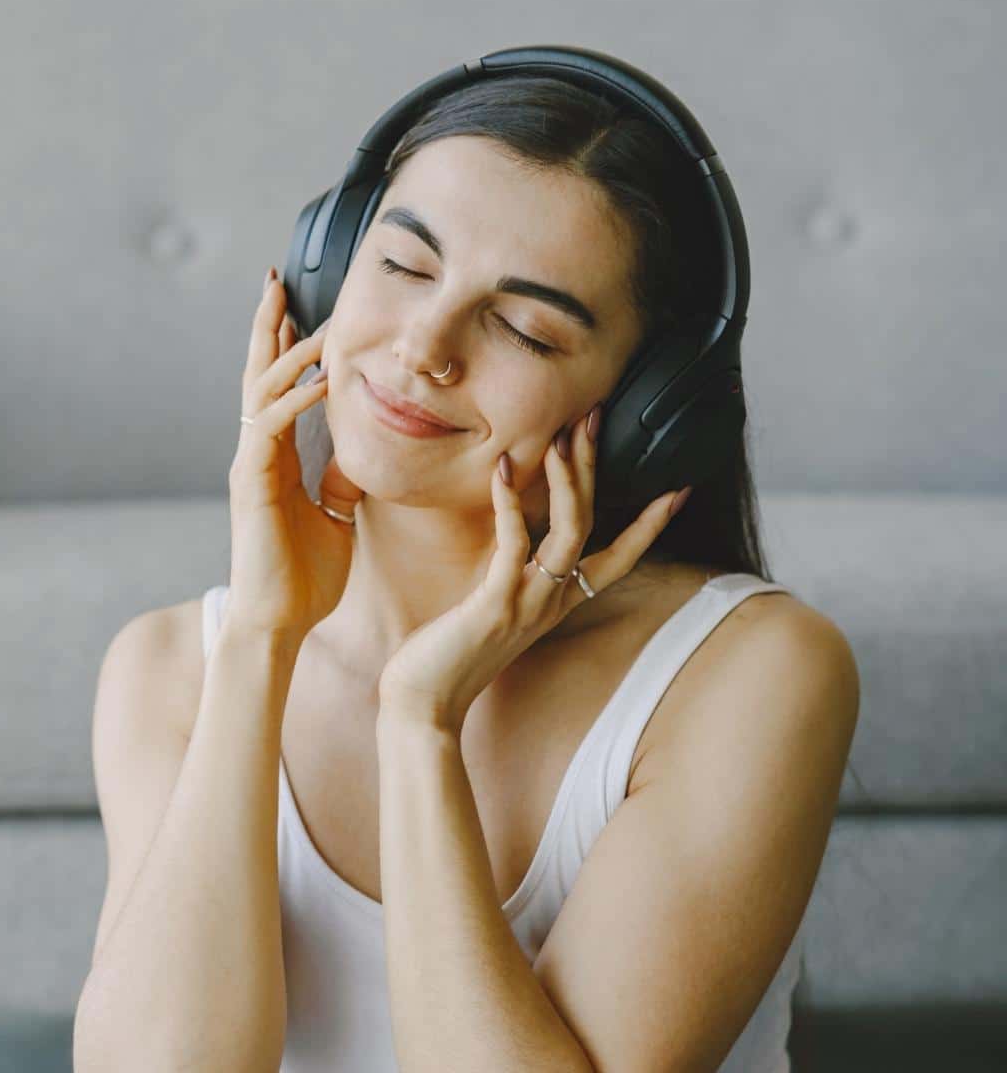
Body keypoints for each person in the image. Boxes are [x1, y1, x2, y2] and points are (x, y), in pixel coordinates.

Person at [75, 73, 859, 1073]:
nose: (423, 346)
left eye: (526, 329)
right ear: (328, 267)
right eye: (403, 265)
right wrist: (261, 645)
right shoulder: (166, 667)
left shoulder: (752, 672)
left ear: (644, 417)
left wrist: (420, 720)